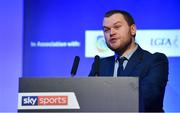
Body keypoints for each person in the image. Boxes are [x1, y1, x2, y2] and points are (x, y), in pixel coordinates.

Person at [89, 10, 169, 112]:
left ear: (132, 30)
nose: (111, 33)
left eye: (117, 27)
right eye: (106, 30)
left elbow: (147, 98)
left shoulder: (155, 61)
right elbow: (89, 99)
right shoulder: (99, 65)